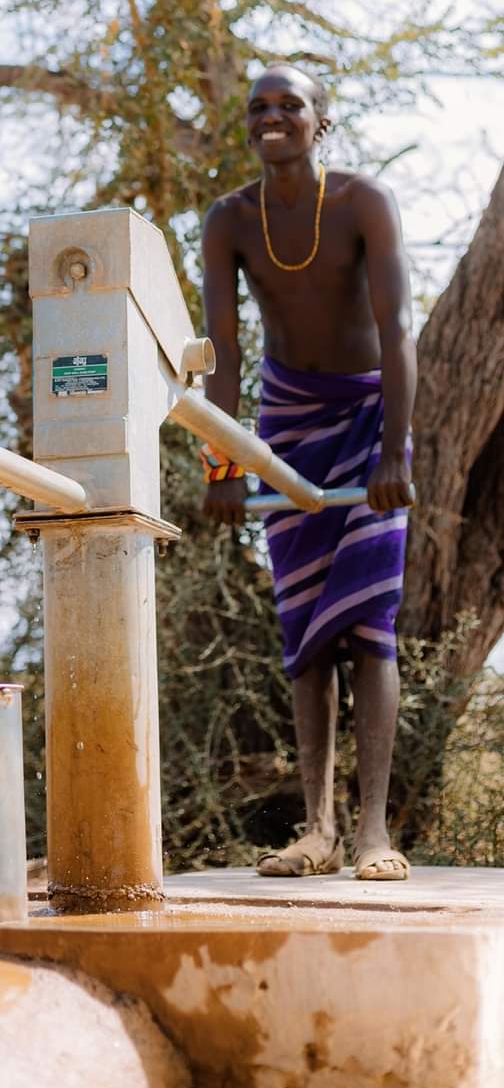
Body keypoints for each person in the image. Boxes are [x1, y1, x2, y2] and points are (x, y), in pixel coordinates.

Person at [201, 63, 416, 881]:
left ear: (321, 121)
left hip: (369, 418)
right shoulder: (229, 221)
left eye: (290, 105)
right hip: (285, 424)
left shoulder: (364, 200)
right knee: (305, 630)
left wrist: (397, 449)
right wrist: (226, 457)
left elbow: (397, 330)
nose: (272, 116)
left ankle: (370, 834)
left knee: (369, 624)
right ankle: (316, 831)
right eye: (258, 106)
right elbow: (220, 354)